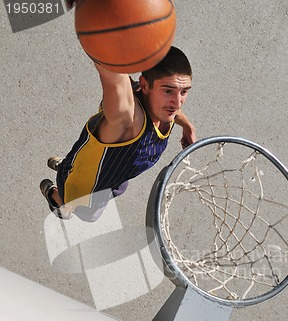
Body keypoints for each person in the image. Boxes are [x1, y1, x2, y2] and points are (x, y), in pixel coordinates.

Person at [40, 45, 196, 222]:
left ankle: (69, 165)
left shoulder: (164, 107)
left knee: (120, 187)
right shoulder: (128, 119)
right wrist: (103, 28)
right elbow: (107, 66)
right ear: (144, 85)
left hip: (117, 174)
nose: (177, 102)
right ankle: (57, 194)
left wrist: (188, 127)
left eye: (184, 92)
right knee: (89, 215)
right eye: (168, 90)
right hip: (82, 189)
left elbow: (176, 112)